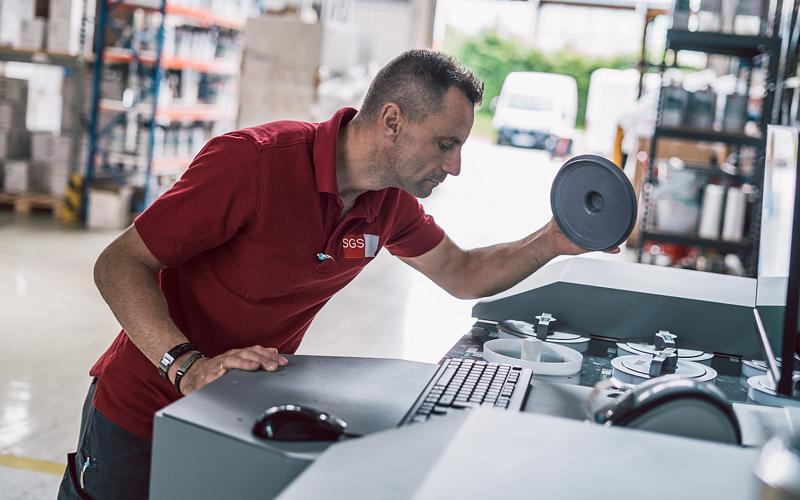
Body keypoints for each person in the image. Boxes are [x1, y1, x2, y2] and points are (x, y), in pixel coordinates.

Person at [58, 49, 610, 499]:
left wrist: (553, 240)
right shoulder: (254, 163)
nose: (455, 166)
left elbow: (462, 273)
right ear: (392, 121)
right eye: (446, 144)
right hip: (142, 410)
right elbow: (119, 263)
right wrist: (188, 367)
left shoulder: (388, 203)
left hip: (232, 412)